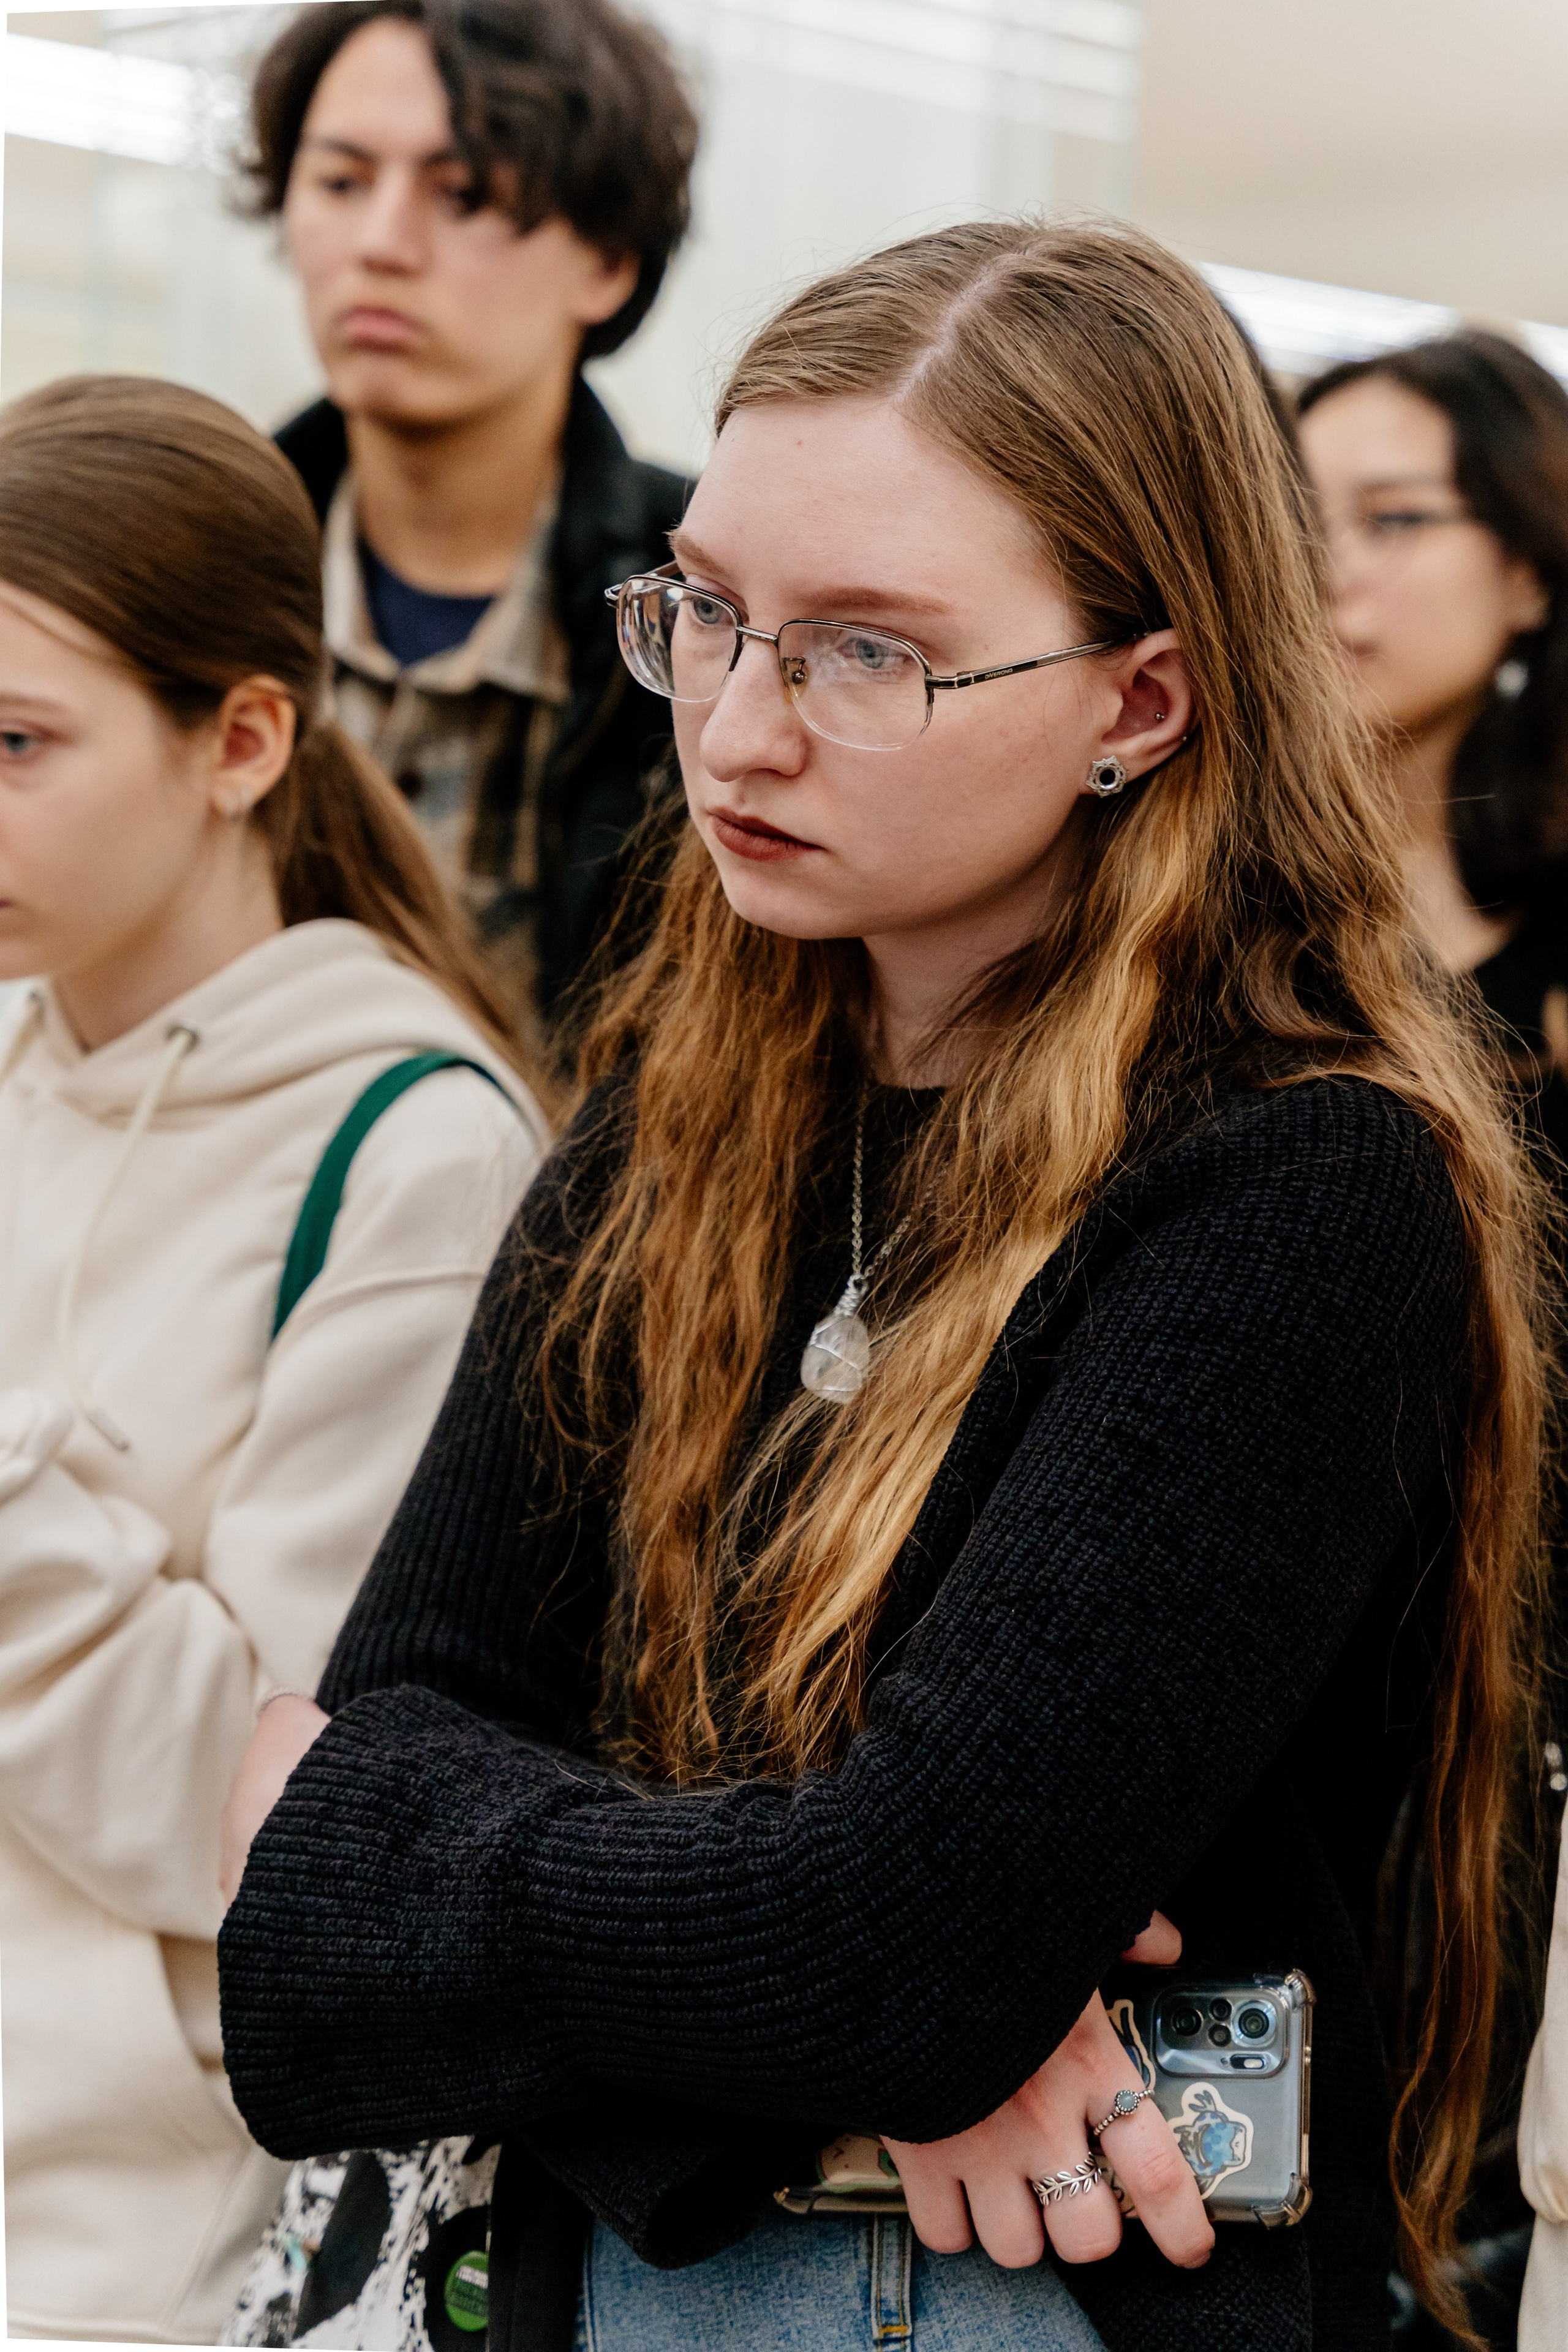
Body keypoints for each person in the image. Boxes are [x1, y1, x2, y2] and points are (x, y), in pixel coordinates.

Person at [216, 221, 1550, 2352]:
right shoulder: (684, 1108)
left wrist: (841, 1966)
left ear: (1142, 698)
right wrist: (838, 2000)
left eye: (865, 652)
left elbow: (866, 1931)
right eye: (710, 616)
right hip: (608, 2284)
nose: (738, 729)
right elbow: (400, 1758)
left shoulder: (1305, 1186)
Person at [0, 374, 549, 2342]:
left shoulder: (417, 1151)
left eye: (14, 739)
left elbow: (279, 1829)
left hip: (150, 2255)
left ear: (241, 740)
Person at [246, 0, 699, 1067]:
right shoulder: (193, 566)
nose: (380, 245)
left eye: (464, 195)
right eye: (341, 182)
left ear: (609, 262)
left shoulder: (714, 613)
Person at [1296, 333, 1568, 1170]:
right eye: (1292, 522)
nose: (1322, 570)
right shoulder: (1190, 886)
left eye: (1393, 520)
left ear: (1526, 573)